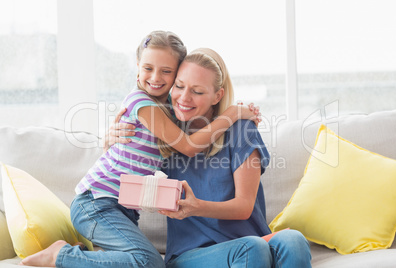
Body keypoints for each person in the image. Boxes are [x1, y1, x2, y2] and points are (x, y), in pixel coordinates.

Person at [21, 31, 259, 268]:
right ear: (137, 67)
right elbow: (187, 146)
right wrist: (231, 114)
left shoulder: (168, 109)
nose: (156, 77)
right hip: (96, 203)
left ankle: (82, 255)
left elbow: (189, 129)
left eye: (167, 72)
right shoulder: (141, 103)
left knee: (141, 261)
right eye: (148, 68)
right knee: (150, 263)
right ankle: (60, 255)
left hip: (122, 210)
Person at [108, 48, 312, 267]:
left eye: (197, 91)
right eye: (179, 86)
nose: (184, 97)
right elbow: (121, 169)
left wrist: (197, 206)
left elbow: (244, 206)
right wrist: (109, 139)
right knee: (252, 248)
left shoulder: (242, 130)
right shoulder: (165, 135)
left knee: (293, 240)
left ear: (217, 95)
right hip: (191, 254)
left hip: (252, 242)